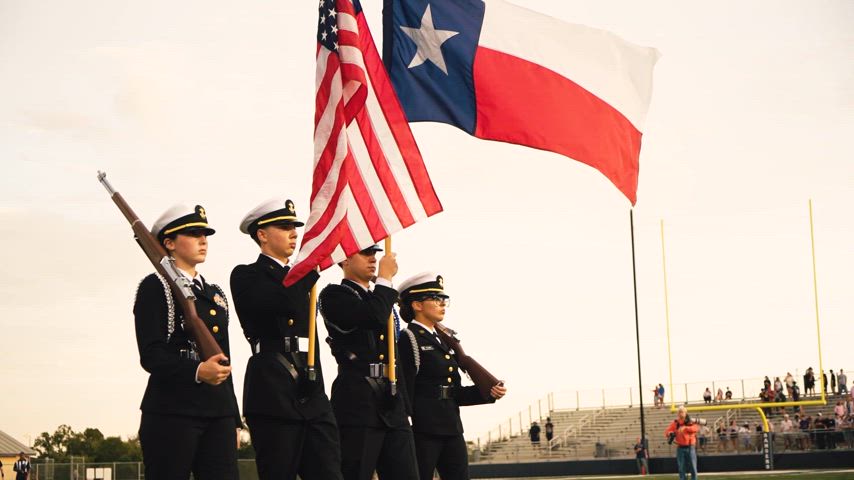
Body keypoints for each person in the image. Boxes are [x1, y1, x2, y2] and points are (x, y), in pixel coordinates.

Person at [230, 198, 343, 480]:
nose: (294, 233)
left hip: (312, 389)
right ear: (262, 235)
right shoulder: (247, 275)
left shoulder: (302, 277)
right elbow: (284, 301)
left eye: (294, 226)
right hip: (272, 390)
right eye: (284, 227)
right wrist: (311, 268)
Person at [133, 204, 240, 479]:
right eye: (193, 233)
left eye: (205, 233)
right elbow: (152, 354)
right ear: (168, 242)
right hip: (172, 411)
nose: (203, 240)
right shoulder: (155, 287)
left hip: (218, 412)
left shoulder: (214, 293)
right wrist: (196, 370)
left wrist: (233, 418)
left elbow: (224, 359)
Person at [319, 245, 418, 480]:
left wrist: (405, 405)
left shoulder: (379, 299)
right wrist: (385, 279)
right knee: (356, 472)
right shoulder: (334, 295)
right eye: (365, 253)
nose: (373, 259)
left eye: (374, 254)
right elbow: (371, 317)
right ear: (343, 260)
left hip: (391, 399)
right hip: (358, 399)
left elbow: (394, 357)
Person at [397, 272, 506, 479]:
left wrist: (486, 392)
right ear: (417, 305)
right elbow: (406, 387)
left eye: (443, 299)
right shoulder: (408, 338)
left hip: (451, 425)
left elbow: (453, 391)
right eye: (435, 299)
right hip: (423, 429)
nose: (442, 304)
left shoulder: (445, 340)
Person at [664, 406, 699, 480]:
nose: (680, 413)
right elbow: (666, 432)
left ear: (686, 413)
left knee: (693, 466)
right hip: (680, 447)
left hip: (690, 447)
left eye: (682, 412)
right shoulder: (675, 423)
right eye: (679, 412)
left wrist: (686, 428)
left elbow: (696, 428)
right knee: (681, 467)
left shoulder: (690, 421)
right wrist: (670, 433)